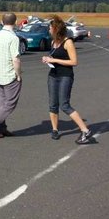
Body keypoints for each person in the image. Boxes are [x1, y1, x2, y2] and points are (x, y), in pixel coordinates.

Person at [41, 15, 92, 144]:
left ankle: (85, 130)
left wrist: (54, 60)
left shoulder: (68, 42)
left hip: (65, 76)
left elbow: (74, 62)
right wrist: (47, 59)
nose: (49, 30)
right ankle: (55, 129)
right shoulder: (53, 42)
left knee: (64, 105)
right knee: (53, 104)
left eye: (50, 28)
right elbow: (54, 57)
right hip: (53, 76)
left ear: (56, 29)